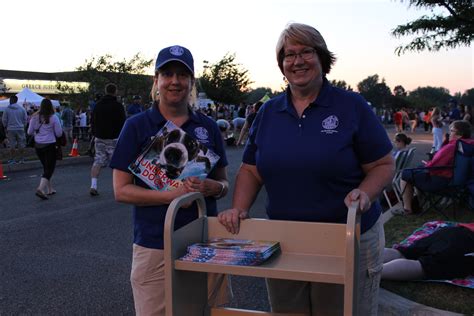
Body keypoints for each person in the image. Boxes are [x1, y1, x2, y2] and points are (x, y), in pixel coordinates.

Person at [217, 23, 394, 315]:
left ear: (322, 58)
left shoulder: (351, 106)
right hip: (285, 239)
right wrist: (239, 208)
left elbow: (383, 165)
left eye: (306, 52)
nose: (298, 61)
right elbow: (251, 169)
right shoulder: (269, 112)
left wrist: (365, 193)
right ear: (282, 65)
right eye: (289, 55)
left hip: (347, 237)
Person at [110, 45, 231, 316]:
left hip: (205, 240)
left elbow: (224, 183)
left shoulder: (208, 126)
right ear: (156, 81)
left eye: (182, 74)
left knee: (207, 311)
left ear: (191, 82)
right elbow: (121, 191)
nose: (174, 81)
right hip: (154, 243)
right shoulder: (136, 125)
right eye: (167, 74)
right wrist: (170, 196)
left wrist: (215, 188)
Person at [397, 120, 473, 215]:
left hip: (441, 182)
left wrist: (427, 164)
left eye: (452, 131)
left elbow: (434, 165)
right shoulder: (467, 145)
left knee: (405, 174)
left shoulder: (452, 146)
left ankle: (407, 209)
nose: (449, 133)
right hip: (457, 183)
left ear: (460, 134)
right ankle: (421, 204)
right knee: (416, 173)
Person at [382, 223, 474, 281]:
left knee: (404, 252)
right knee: (423, 266)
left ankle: (368, 259)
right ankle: (372, 273)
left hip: (452, 231)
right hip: (465, 243)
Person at [89, 83, 126, 196]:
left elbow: (92, 120)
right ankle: (117, 187)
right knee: (115, 163)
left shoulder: (98, 105)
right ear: (115, 91)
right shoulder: (118, 106)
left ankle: (93, 185)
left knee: (98, 161)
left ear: (105, 91)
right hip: (114, 138)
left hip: (100, 137)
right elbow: (123, 122)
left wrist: (95, 133)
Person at [27, 99, 63, 200]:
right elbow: (59, 133)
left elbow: (29, 132)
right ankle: (40, 188)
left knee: (46, 167)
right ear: (51, 106)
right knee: (50, 168)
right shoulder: (53, 117)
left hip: (38, 145)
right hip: (49, 145)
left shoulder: (34, 117)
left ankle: (49, 189)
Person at [2, 95, 27, 164]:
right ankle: (22, 159)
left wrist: (6, 127)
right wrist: (23, 126)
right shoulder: (22, 109)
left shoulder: (7, 109)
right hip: (20, 128)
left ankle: (13, 159)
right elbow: (25, 119)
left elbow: (4, 120)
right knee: (21, 144)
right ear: (16, 100)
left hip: (10, 129)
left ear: (11, 100)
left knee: (12, 145)